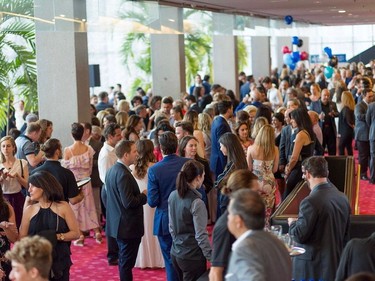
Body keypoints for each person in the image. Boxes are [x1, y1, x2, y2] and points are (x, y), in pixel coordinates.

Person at [288, 156, 351, 281]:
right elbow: (346, 235)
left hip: (313, 269)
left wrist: (292, 223)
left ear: (307, 174)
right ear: (326, 173)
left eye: (303, 174)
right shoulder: (342, 197)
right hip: (336, 264)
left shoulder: (310, 202)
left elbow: (299, 235)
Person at [19, 171, 80, 281]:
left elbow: (76, 233)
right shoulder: (29, 210)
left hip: (59, 258)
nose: (29, 190)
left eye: (32, 186)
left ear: (43, 187)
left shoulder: (63, 206)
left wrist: (56, 237)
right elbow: (22, 237)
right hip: (36, 260)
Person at [225, 189, 292, 281]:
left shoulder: (245, 249)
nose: (227, 217)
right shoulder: (276, 241)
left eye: (229, 213)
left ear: (238, 220)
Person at [148, 132, 188, 281]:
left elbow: (152, 201)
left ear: (160, 149)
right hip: (186, 216)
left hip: (165, 219)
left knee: (170, 261)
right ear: (177, 147)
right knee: (187, 258)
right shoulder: (186, 164)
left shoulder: (154, 169)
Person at [105, 140, 147, 281]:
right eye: (134, 151)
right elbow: (129, 202)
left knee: (124, 262)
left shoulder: (111, 171)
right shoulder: (123, 174)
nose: (137, 154)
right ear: (125, 154)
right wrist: (143, 196)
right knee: (126, 264)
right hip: (128, 227)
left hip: (119, 225)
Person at [209, 170, 259, 281]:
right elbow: (215, 272)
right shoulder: (225, 227)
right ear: (242, 194)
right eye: (255, 193)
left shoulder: (245, 218)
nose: (259, 197)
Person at [168, 160, 211, 281]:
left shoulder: (172, 195)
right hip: (192, 257)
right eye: (203, 176)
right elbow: (201, 235)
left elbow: (171, 227)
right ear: (198, 178)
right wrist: (212, 257)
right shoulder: (197, 203)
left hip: (176, 253)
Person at [62, 123, 101, 246]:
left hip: (74, 182)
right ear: (83, 133)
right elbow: (89, 168)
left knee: (75, 208)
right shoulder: (88, 149)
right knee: (90, 206)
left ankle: (80, 235)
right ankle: (97, 231)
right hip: (86, 181)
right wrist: (85, 176)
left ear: (71, 134)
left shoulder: (67, 150)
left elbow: (65, 169)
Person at [130, 140, 164, 269]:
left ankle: (144, 260)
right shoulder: (155, 166)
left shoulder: (132, 168)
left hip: (140, 201)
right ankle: (156, 259)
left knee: (142, 230)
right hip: (152, 201)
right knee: (153, 229)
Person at [98, 123, 122, 266]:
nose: (121, 137)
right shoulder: (106, 154)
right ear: (110, 136)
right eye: (118, 135)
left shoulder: (113, 150)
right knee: (112, 223)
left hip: (114, 190)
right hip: (110, 191)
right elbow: (107, 177)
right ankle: (112, 255)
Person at [31, 138, 83, 205]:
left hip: (40, 211)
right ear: (57, 152)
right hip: (60, 212)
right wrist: (81, 195)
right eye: (61, 148)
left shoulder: (34, 173)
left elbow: (29, 200)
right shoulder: (67, 173)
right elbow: (73, 200)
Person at [247, 124, 279, 225]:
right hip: (269, 182)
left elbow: (249, 168)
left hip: (255, 181)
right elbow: (275, 169)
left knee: (255, 207)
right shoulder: (275, 149)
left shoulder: (251, 148)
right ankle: (267, 226)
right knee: (269, 209)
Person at [284, 108, 315, 199]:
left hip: (298, 168)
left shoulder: (301, 134)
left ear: (299, 119)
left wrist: (288, 169)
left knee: (288, 196)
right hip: (305, 167)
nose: (291, 121)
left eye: (293, 118)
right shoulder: (308, 132)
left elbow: (294, 157)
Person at [215, 133, 248, 216]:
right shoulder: (238, 161)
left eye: (221, 146)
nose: (220, 148)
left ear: (228, 146)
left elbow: (219, 183)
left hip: (230, 200)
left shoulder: (234, 164)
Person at [0, 136, 28, 228]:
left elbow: (28, 185)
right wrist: (2, 178)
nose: (5, 149)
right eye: (3, 146)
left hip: (17, 197)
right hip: (2, 198)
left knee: (19, 225)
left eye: (8, 146)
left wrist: (18, 177)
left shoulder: (22, 163)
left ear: (13, 147)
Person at [210, 100, 232, 179]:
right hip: (219, 162)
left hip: (215, 160)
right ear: (229, 109)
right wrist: (225, 167)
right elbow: (222, 146)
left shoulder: (216, 120)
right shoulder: (222, 124)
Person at [355, 88, 373, 181]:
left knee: (371, 155)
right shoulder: (359, 106)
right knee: (363, 156)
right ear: (364, 96)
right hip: (362, 135)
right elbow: (359, 116)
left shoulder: (372, 105)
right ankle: (362, 174)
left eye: (372, 96)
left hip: (370, 134)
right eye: (369, 96)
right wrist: (370, 115)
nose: (371, 98)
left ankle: (372, 173)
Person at [339, 91, 355, 156]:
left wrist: (353, 126)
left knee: (341, 147)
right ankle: (351, 162)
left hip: (345, 131)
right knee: (349, 147)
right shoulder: (350, 108)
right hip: (349, 131)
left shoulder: (346, 108)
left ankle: (341, 163)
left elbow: (349, 121)